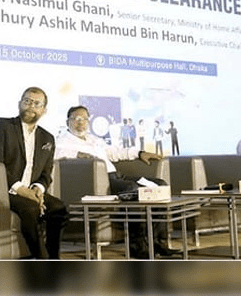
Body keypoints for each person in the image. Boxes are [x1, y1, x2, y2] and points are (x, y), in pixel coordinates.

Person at [55, 105, 179, 258]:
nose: (81, 122)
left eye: (84, 119)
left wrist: (139, 153)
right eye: (76, 119)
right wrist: (78, 154)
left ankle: (158, 242)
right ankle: (137, 245)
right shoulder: (62, 141)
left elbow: (115, 152)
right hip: (99, 182)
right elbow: (56, 154)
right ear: (68, 122)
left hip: (117, 176)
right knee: (132, 189)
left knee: (160, 185)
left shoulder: (93, 139)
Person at [0, 87, 68, 259]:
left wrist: (38, 189)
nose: (31, 106)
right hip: (5, 191)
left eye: (37, 103)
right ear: (19, 103)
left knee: (59, 208)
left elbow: (46, 172)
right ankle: (41, 259)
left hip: (31, 190)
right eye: (27, 101)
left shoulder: (47, 138)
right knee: (31, 208)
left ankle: (54, 258)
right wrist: (22, 190)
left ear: (44, 110)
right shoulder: (3, 126)